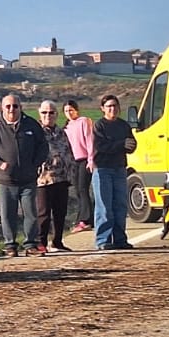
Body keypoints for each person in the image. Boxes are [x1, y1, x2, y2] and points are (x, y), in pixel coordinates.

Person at [0, 94, 47, 256]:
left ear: (20, 107)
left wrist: (35, 164)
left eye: (15, 106)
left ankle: (30, 245)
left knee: (30, 213)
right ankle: (10, 245)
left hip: (28, 179)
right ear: (2, 108)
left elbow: (43, 146)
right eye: (8, 106)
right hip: (6, 180)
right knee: (8, 214)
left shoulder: (31, 124)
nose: (11, 109)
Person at [90, 94, 136, 250]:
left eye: (115, 106)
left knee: (120, 205)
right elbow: (101, 147)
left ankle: (120, 239)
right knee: (104, 206)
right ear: (103, 109)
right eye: (109, 106)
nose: (112, 109)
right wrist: (121, 144)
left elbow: (130, 144)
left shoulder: (124, 126)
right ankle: (103, 240)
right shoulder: (99, 126)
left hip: (119, 168)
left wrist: (130, 145)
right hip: (102, 169)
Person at [34, 100, 71, 253]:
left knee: (60, 212)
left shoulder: (61, 132)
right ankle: (41, 242)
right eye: (44, 112)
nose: (48, 115)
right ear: (39, 113)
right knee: (43, 213)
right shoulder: (36, 132)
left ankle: (57, 241)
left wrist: (70, 173)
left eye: (51, 112)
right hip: (43, 179)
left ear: (56, 114)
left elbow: (69, 153)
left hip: (62, 177)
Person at [62, 100, 94, 233]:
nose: (69, 113)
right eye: (66, 111)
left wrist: (91, 159)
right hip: (73, 162)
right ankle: (82, 218)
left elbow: (90, 140)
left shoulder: (84, 121)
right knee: (78, 190)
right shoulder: (67, 127)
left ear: (76, 110)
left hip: (85, 159)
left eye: (71, 110)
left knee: (83, 189)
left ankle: (86, 220)